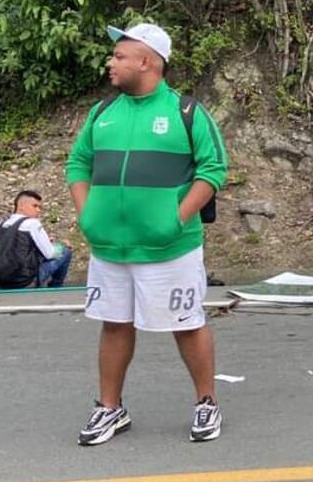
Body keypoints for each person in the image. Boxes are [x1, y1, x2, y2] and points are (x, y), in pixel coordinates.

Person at [66, 22, 228, 446]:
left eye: (120, 55)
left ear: (147, 61)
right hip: (110, 248)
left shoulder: (185, 112)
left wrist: (175, 218)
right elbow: (78, 164)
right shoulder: (102, 113)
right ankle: (110, 408)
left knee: (187, 324)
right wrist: (88, 215)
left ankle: (206, 401)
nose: (111, 62)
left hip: (170, 247)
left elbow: (213, 170)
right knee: (114, 324)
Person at [0, 191, 72, 289]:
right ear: (21, 206)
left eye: (40, 207)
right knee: (65, 252)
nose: (38, 210)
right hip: (24, 281)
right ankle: (56, 287)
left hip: (1, 280)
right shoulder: (32, 223)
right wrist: (61, 245)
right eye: (35, 206)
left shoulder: (4, 223)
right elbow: (49, 254)